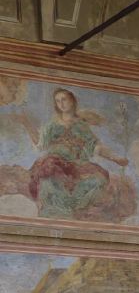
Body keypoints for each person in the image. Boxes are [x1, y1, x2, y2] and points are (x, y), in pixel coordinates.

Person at [17, 88, 128, 219]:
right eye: (58, 101)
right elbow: (41, 145)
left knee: (99, 179)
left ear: (72, 101)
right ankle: (58, 211)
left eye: (64, 99)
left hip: (77, 165)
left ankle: (73, 208)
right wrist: (27, 125)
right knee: (49, 178)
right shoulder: (52, 125)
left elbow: (96, 147)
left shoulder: (82, 126)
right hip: (55, 163)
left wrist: (116, 158)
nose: (61, 103)